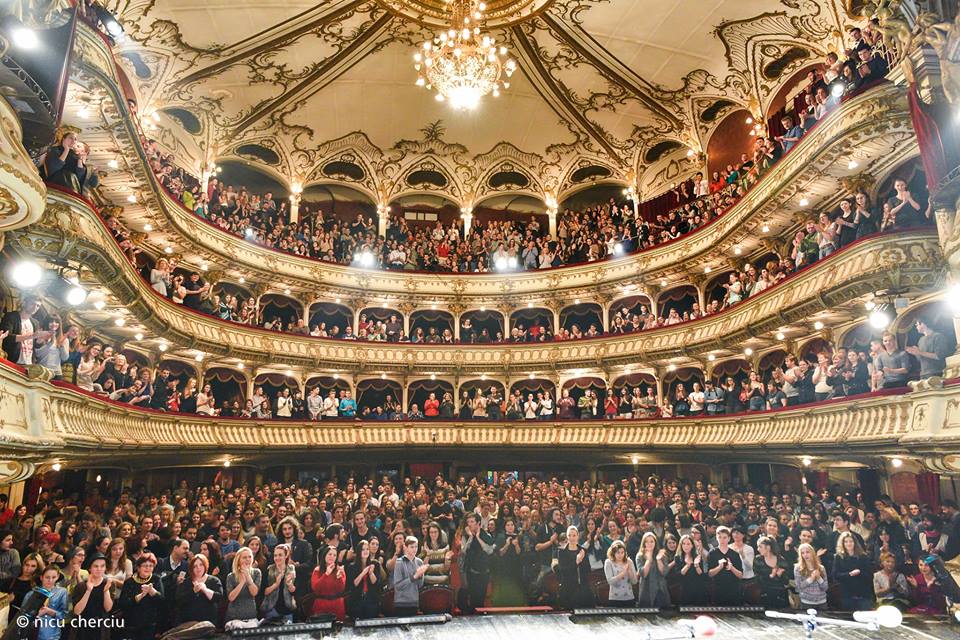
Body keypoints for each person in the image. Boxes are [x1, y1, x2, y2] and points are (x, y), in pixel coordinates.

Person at [117, 554, 164, 640]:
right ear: (138, 567)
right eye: (145, 566)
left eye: (151, 566)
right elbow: (122, 603)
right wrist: (139, 597)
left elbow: (162, 601)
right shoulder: (129, 582)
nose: (148, 568)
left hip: (150, 624)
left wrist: (152, 591)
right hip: (131, 624)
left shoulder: (156, 579)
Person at [70, 553, 113, 640]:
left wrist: (106, 590)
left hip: (101, 627)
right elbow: (77, 611)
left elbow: (108, 608)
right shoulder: (81, 586)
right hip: (83, 627)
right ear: (90, 568)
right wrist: (88, 591)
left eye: (102, 566)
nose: (99, 569)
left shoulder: (108, 584)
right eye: (96, 566)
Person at [20, 564, 69, 640]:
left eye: (54, 577)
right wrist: (35, 614)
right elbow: (22, 616)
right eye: (47, 577)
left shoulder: (62, 592)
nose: (50, 580)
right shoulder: (31, 594)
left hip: (52, 635)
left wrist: (49, 611)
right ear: (41, 577)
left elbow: (65, 615)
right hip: (31, 634)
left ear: (58, 577)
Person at [174, 554, 222, 627]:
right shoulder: (186, 582)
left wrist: (205, 590)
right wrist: (193, 591)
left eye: (201, 565)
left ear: (205, 565)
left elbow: (218, 598)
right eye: (195, 566)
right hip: (188, 623)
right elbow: (179, 600)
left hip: (208, 623)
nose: (198, 568)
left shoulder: (214, 580)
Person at [460, 513, 494, 613]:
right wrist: (471, 537)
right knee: (473, 597)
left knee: (481, 597)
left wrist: (478, 538)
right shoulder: (465, 536)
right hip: (471, 571)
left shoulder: (486, 534)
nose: (469, 524)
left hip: (484, 571)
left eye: (472, 522)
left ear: (478, 523)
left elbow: (489, 550)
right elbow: (464, 551)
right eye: (468, 522)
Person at [832, 531, 873, 611]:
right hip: (847, 594)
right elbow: (835, 575)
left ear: (855, 542)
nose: (848, 544)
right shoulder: (838, 557)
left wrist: (859, 573)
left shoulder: (863, 556)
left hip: (863, 594)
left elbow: (870, 575)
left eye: (851, 541)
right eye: (846, 542)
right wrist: (849, 574)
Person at [1, 296, 48, 366]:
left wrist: (40, 341)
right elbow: (6, 337)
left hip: (28, 363)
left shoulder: (35, 323)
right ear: (24, 303)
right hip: (11, 359)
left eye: (38, 306)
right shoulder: (11, 316)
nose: (35, 307)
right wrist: (32, 336)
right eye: (32, 304)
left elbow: (35, 345)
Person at [556, 526, 595, 610]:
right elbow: (563, 570)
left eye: (574, 535)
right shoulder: (562, 552)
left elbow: (588, 569)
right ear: (567, 537)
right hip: (568, 587)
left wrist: (581, 560)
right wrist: (576, 561)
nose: (572, 538)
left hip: (582, 587)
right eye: (569, 535)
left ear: (578, 536)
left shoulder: (582, 550)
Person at [346, 539, 384, 620]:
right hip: (356, 600)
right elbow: (353, 584)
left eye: (367, 549)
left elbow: (376, 583)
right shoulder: (352, 566)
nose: (365, 551)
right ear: (359, 551)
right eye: (363, 549)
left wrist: (371, 573)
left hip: (371, 600)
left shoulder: (375, 564)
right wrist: (363, 573)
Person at [389, 536, 427, 616]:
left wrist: (421, 575)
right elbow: (398, 586)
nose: (414, 549)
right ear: (406, 547)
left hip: (414, 601)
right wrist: (414, 577)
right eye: (412, 547)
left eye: (416, 547)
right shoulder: (399, 562)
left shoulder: (419, 562)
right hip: (401, 603)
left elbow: (420, 585)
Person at [224, 547, 260, 629]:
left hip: (251, 617)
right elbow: (231, 598)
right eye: (244, 557)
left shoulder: (256, 573)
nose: (248, 559)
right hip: (233, 617)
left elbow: (254, 593)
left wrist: (247, 576)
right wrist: (242, 582)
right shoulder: (231, 576)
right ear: (238, 560)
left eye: (250, 557)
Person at [260, 543, 297, 622]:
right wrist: (276, 584)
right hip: (272, 609)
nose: (277, 558)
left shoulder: (291, 569)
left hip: (288, 609)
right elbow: (264, 592)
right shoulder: (269, 570)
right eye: (275, 555)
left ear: (286, 556)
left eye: (280, 555)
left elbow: (294, 591)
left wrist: (289, 584)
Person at [707, 526, 742, 605]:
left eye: (724, 537)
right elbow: (709, 574)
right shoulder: (712, 553)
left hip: (733, 589)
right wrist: (719, 567)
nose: (722, 540)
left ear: (729, 539)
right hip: (718, 590)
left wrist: (731, 567)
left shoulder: (735, 554)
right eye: (720, 537)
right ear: (716, 538)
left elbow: (740, 575)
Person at [310, 546, 346, 620]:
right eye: (330, 554)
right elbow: (315, 588)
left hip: (337, 605)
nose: (332, 557)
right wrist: (326, 574)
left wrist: (339, 578)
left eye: (334, 555)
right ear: (324, 555)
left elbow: (341, 589)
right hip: (321, 604)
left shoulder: (339, 570)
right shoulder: (317, 570)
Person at [636, 531, 670, 607]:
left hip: (660, 590)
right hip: (646, 590)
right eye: (647, 542)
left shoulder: (661, 554)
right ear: (643, 543)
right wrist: (648, 560)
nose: (649, 544)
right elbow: (643, 574)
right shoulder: (640, 556)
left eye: (652, 541)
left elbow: (664, 572)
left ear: (655, 543)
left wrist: (658, 560)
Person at [753, 536, 789, 609]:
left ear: (768, 547)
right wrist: (770, 576)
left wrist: (780, 575)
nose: (758, 549)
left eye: (760, 547)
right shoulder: (758, 560)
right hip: (764, 594)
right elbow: (757, 579)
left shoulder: (781, 560)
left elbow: (786, 582)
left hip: (779, 595)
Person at [604, 540, 638, 607]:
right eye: (618, 552)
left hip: (629, 598)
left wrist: (629, 571)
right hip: (615, 599)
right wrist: (623, 573)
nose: (620, 555)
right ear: (613, 552)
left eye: (622, 552)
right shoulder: (608, 562)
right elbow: (610, 581)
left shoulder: (629, 561)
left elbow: (634, 581)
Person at [794, 542, 828, 609]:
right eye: (802, 553)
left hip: (822, 602)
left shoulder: (821, 568)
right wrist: (811, 579)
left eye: (807, 552)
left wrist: (819, 578)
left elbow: (825, 587)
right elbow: (798, 588)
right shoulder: (798, 568)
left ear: (812, 553)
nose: (805, 555)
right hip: (807, 603)